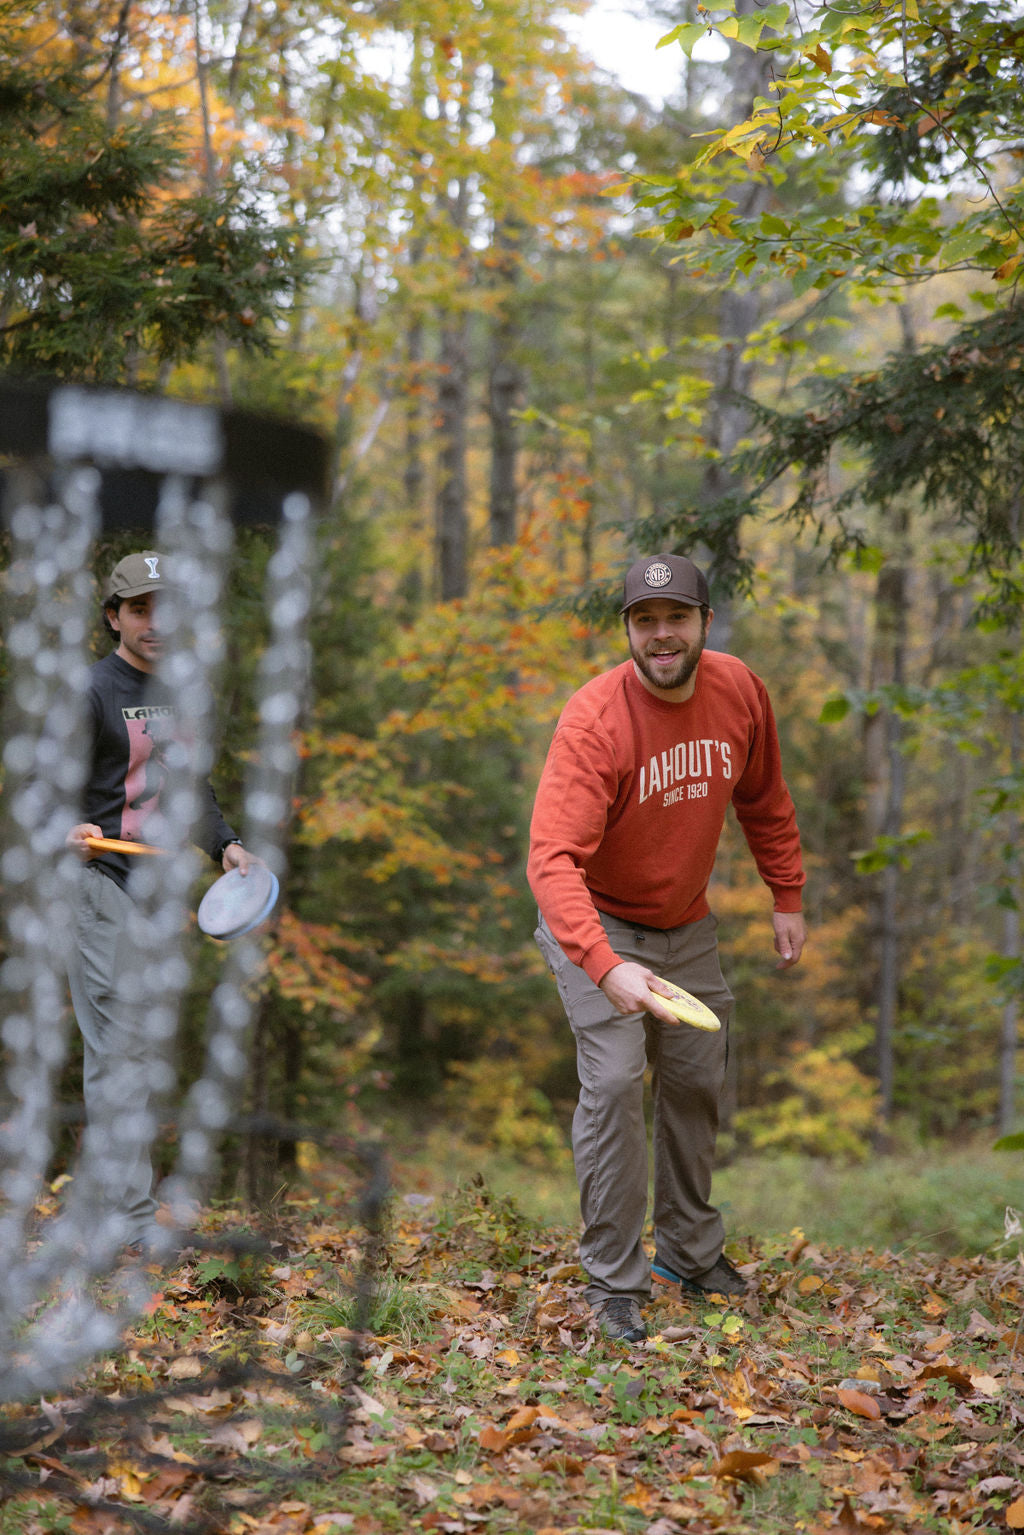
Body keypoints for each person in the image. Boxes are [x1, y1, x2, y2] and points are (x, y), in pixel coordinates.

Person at [527, 553, 806, 1343]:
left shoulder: (739, 689)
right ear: (627, 629)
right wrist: (605, 963)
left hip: (685, 924)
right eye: (644, 621)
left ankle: (687, 1253)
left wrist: (785, 893)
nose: (661, 635)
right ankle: (613, 1281)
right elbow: (551, 859)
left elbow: (765, 797)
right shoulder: (594, 719)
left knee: (694, 1078)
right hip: (596, 921)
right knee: (616, 1080)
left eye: (676, 618)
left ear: (705, 624)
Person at [64, 550, 254, 1257]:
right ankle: (132, 1222)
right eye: (140, 608)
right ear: (114, 616)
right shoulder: (88, 690)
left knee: (139, 1050)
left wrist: (227, 846)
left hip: (157, 895)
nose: (155, 622)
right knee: (117, 1048)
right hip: (98, 884)